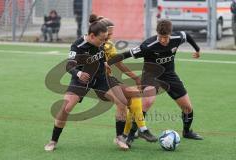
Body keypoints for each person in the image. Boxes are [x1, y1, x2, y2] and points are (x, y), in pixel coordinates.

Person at [108, 19, 203, 147]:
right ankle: (131, 134)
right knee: (147, 102)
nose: (163, 40)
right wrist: (107, 62)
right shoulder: (148, 46)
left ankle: (187, 132)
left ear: (170, 34)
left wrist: (197, 50)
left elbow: (188, 36)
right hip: (151, 76)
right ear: (157, 33)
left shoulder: (177, 37)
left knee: (187, 107)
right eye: (160, 37)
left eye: (165, 37)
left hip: (170, 75)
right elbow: (126, 54)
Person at [44, 18, 131, 151]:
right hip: (81, 79)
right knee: (66, 108)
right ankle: (53, 141)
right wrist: (79, 74)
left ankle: (119, 137)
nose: (104, 42)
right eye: (101, 39)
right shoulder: (77, 46)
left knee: (122, 102)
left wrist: (105, 64)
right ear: (91, 36)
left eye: (105, 39)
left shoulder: (101, 42)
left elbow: (100, 57)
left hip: (100, 78)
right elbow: (69, 65)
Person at [91, 14, 157, 149]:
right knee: (124, 102)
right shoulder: (93, 44)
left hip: (108, 79)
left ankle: (129, 134)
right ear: (100, 33)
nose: (109, 37)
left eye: (111, 34)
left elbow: (118, 63)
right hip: (97, 82)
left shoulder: (108, 45)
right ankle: (131, 133)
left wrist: (135, 78)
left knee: (134, 96)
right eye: (108, 34)